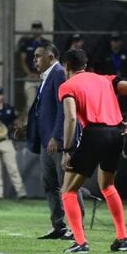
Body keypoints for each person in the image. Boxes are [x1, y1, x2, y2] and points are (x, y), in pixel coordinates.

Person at [58, 48, 127, 253]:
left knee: (68, 191)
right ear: (85, 65)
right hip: (116, 133)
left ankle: (80, 242)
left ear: (66, 66)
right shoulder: (106, 79)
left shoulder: (67, 86)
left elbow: (70, 118)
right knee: (107, 186)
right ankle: (123, 238)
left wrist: (67, 150)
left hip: (94, 134)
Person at [25, 42, 76, 240]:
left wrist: (58, 136)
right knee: (50, 185)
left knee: (68, 185)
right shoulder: (48, 76)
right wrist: (29, 129)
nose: (34, 60)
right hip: (47, 140)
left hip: (58, 141)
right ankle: (59, 225)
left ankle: (76, 226)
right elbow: (43, 110)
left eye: (38, 56)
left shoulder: (59, 74)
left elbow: (64, 109)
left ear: (51, 56)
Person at [18, 20, 49, 114]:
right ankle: (29, 126)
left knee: (44, 104)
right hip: (29, 77)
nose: (36, 30)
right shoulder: (26, 43)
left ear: (42, 29)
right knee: (30, 104)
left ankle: (42, 126)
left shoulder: (46, 43)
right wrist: (30, 73)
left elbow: (50, 61)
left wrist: (41, 74)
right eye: (34, 28)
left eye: (38, 27)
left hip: (43, 77)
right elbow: (22, 60)